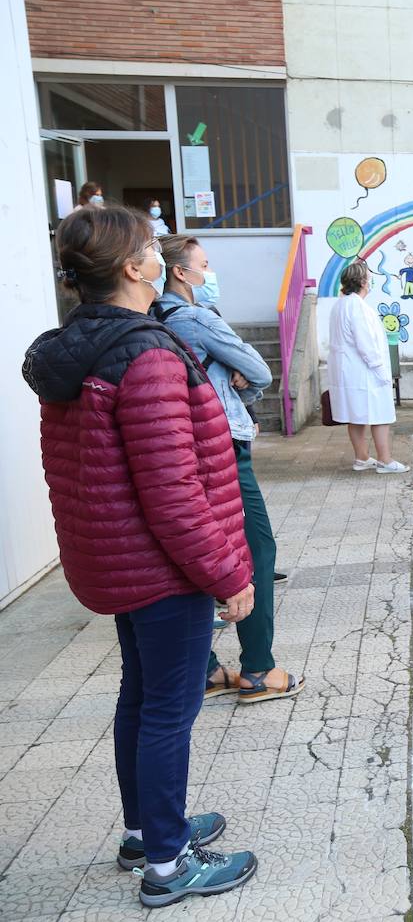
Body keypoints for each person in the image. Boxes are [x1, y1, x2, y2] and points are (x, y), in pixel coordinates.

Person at [24, 205, 257, 906]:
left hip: (118, 559)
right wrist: (228, 573)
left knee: (143, 696)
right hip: (159, 566)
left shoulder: (82, 346)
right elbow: (173, 491)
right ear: (132, 268)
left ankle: (147, 828)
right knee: (168, 710)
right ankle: (167, 862)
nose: (163, 253)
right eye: (154, 246)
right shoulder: (146, 354)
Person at [154, 235, 302, 704]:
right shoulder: (195, 318)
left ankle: (204, 668)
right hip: (220, 447)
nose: (208, 272)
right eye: (204, 264)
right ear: (180, 272)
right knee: (256, 548)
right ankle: (258, 668)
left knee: (193, 553)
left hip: (176, 448)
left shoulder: (149, 321)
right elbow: (258, 370)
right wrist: (239, 388)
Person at [328, 259, 408, 473]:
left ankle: (362, 457)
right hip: (365, 371)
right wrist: (381, 370)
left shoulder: (340, 305)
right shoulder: (357, 307)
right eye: (369, 279)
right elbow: (366, 344)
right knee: (380, 414)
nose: (370, 282)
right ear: (362, 281)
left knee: (355, 415)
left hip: (348, 371)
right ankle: (385, 459)